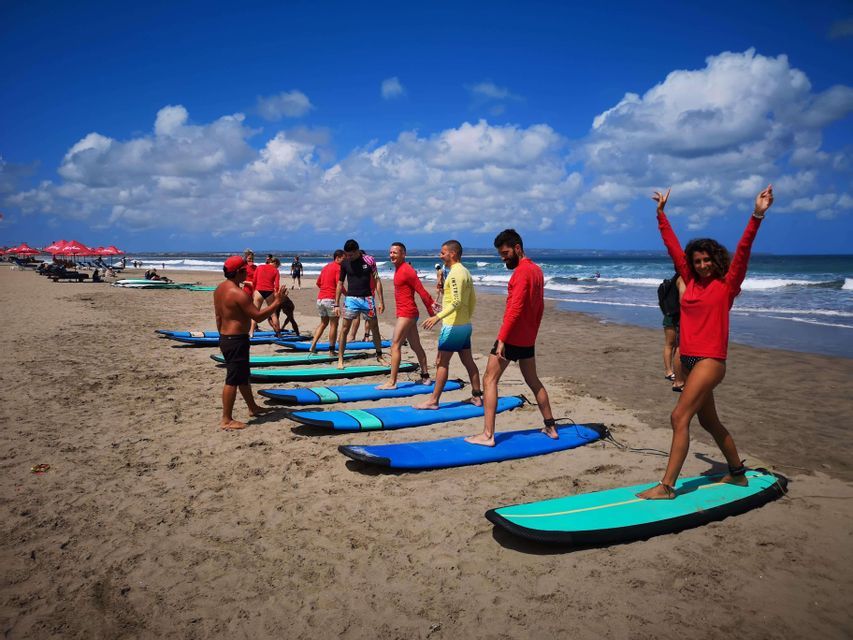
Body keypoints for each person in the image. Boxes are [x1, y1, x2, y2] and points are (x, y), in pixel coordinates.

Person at [638, 185, 774, 500]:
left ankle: (667, 487)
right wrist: (661, 215)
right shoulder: (691, 281)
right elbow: (673, 248)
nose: (702, 265)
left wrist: (757, 215)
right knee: (709, 421)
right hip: (688, 360)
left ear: (716, 260)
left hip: (710, 362)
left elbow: (743, 250)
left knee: (678, 417)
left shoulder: (728, 285)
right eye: (697, 261)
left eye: (707, 260)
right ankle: (737, 473)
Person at [465, 229, 555, 446]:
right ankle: (551, 427)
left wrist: (503, 338)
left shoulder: (522, 273)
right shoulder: (537, 270)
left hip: (512, 337)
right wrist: (532, 333)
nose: (503, 257)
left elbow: (515, 309)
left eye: (505, 253)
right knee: (533, 381)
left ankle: (488, 435)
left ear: (517, 248)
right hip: (527, 338)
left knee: (489, 379)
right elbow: (538, 308)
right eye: (500, 254)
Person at [214, 255, 286, 430]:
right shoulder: (238, 293)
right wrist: (277, 302)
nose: (247, 272)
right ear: (238, 272)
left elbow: (218, 317)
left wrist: (223, 335)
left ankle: (252, 407)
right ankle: (226, 419)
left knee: (243, 376)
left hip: (227, 338)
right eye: (245, 270)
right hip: (235, 340)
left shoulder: (219, 289)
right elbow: (258, 316)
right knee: (232, 379)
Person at [413, 240, 482, 409]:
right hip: (464, 325)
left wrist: (437, 317)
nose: (440, 255)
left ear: (452, 253)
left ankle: (433, 401)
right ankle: (477, 397)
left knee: (441, 363)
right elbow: (471, 300)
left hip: (452, 327)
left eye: (443, 252)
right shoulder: (465, 272)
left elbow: (457, 301)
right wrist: (457, 315)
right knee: (468, 361)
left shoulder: (455, 273)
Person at [376, 242, 436, 390]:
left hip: (407, 313)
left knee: (395, 345)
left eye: (395, 252)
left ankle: (392, 382)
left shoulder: (407, 270)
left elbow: (421, 291)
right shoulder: (398, 269)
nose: (392, 255)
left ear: (403, 254)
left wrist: (432, 312)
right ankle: (426, 377)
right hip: (407, 313)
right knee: (415, 345)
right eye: (390, 252)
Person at [335, 239, 386, 368]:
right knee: (345, 329)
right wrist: (336, 304)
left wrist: (381, 301)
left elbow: (377, 280)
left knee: (375, 328)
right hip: (351, 299)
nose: (349, 257)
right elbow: (340, 284)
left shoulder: (369, 260)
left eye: (351, 254)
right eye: (347, 254)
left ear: (357, 251)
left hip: (368, 299)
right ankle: (340, 359)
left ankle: (379, 355)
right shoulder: (345, 263)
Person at [309, 250, 345, 354]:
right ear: (337, 258)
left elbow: (318, 282)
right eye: (344, 258)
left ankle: (313, 345)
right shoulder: (338, 268)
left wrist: (325, 289)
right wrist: (347, 294)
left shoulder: (325, 267)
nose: (345, 260)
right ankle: (332, 350)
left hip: (320, 299)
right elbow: (340, 285)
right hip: (330, 300)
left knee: (323, 323)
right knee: (334, 325)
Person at [659, 273, 686, 391]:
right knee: (672, 344)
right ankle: (669, 372)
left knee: (673, 345)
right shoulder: (681, 279)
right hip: (674, 317)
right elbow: (682, 300)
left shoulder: (677, 278)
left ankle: (672, 372)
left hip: (671, 315)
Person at [251, 255, 282, 337]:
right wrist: (276, 294)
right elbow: (277, 285)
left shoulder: (259, 267)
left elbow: (254, 280)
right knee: (273, 314)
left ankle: (251, 333)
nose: (277, 267)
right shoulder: (275, 271)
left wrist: (254, 290)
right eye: (278, 266)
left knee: (255, 313)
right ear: (275, 263)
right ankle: (278, 333)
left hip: (259, 291)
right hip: (269, 291)